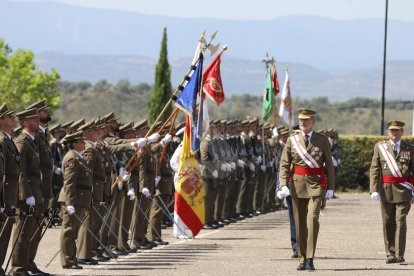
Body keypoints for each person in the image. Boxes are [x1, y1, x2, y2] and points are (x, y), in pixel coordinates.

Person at [278, 108, 335, 271]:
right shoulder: (292, 140)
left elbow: (329, 165)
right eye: (301, 120)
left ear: (313, 121)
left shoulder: (322, 140)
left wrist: (331, 187)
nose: (303, 122)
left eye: (307, 120)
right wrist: (282, 184)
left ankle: (310, 257)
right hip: (296, 186)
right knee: (300, 223)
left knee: (313, 220)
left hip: (316, 186)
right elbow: (284, 164)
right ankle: (302, 258)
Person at [370, 120, 414, 264]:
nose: (394, 133)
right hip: (386, 190)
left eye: (397, 130)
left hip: (404, 190)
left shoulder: (410, 148)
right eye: (392, 130)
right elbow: (375, 169)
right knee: (388, 222)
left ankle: (400, 254)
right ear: (388, 132)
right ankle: (391, 253)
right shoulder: (380, 147)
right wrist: (373, 189)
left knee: (400, 221)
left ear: (402, 132)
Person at [58, 131, 92, 270]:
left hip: (78, 199)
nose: (84, 143)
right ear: (75, 143)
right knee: (69, 231)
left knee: (73, 231)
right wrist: (70, 203)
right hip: (73, 199)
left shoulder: (77, 157)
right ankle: (68, 260)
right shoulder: (72, 158)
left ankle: (72, 258)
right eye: (81, 141)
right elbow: (69, 183)